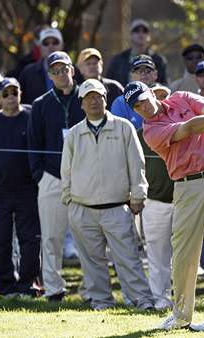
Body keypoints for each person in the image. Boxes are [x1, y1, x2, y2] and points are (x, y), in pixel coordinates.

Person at [126, 81, 204, 331]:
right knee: (184, 254)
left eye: (143, 99)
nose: (143, 108)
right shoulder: (151, 131)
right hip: (187, 187)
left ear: (151, 92)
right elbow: (190, 127)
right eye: (136, 106)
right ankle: (181, 314)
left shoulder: (181, 97)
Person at [60, 79, 154, 310]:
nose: (93, 101)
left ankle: (142, 301)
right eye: (88, 97)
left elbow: (136, 163)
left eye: (98, 96)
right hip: (83, 209)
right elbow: (66, 170)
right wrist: (68, 200)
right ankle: (101, 301)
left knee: (129, 259)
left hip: (117, 207)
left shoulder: (124, 127)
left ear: (105, 99)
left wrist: (138, 194)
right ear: (81, 104)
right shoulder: (74, 133)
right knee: (92, 263)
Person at [27, 51, 86, 301]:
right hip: (51, 176)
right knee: (52, 237)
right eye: (55, 71)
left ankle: (91, 290)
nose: (61, 74)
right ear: (49, 75)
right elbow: (33, 143)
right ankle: (54, 289)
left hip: (85, 176)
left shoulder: (88, 96)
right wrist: (40, 175)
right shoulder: (40, 104)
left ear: (72, 70)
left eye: (65, 69)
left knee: (87, 236)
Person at [0, 78, 41, 297]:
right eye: (6, 94)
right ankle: (5, 286)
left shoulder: (31, 117)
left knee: (30, 240)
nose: (11, 97)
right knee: (1, 240)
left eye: (14, 92)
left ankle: (27, 285)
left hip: (27, 189)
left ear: (21, 93)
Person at [135, 83, 174, 311]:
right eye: (155, 96)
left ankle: (182, 299)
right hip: (154, 201)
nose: (159, 102)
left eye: (163, 97)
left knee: (185, 256)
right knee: (157, 256)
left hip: (184, 200)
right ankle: (161, 300)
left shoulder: (182, 128)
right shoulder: (140, 135)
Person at [106, 18, 167, 86]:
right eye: (136, 30)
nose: (141, 33)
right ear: (130, 35)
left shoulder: (158, 60)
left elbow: (163, 85)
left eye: (145, 31)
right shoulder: (118, 60)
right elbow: (109, 85)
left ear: (149, 36)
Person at [111, 54, 158, 129]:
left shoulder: (165, 95)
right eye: (139, 71)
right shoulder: (120, 103)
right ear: (131, 75)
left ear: (155, 74)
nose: (143, 74)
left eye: (148, 71)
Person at [18, 28, 65, 104]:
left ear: (62, 45)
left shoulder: (74, 71)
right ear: (40, 48)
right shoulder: (28, 73)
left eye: (55, 42)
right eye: (46, 43)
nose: (50, 46)